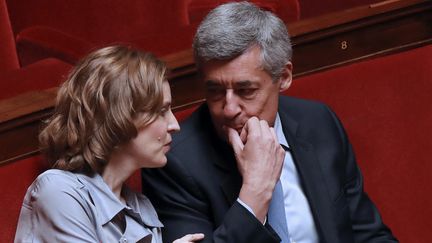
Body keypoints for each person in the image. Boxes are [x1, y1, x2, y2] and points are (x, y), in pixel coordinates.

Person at [141, 2, 398, 243]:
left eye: (246, 90)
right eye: (215, 91)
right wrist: (255, 193)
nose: (229, 109)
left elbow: (368, 234)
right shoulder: (174, 161)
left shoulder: (318, 122)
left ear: (284, 77)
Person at [14, 45, 204, 243]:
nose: (174, 125)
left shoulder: (141, 208)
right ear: (118, 118)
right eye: (161, 111)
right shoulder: (59, 192)